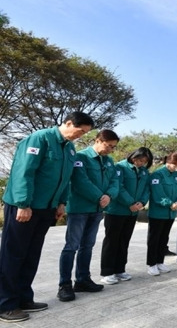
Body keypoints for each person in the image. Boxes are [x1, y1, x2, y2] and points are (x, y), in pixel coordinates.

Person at [0, 112, 94, 323]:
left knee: (31, 254)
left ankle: (24, 298)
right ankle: (5, 304)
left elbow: (65, 179)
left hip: (46, 208)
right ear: (68, 123)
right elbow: (24, 172)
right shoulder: (39, 138)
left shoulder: (70, 148)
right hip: (25, 206)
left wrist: (61, 202)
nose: (80, 136)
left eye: (85, 133)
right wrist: (23, 204)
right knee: (13, 254)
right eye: (80, 131)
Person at [57, 129, 120, 302]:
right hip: (79, 209)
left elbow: (115, 181)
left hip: (97, 210)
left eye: (113, 147)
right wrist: (99, 196)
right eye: (109, 146)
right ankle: (64, 285)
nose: (111, 150)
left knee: (88, 246)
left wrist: (109, 195)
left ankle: (83, 280)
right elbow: (80, 181)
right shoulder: (81, 157)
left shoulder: (109, 161)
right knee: (71, 246)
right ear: (98, 140)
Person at [100, 147, 152, 285]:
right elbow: (119, 187)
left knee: (124, 241)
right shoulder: (120, 167)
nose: (141, 163)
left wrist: (141, 202)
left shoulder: (144, 172)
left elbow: (147, 188)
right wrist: (130, 202)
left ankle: (120, 269)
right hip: (117, 211)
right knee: (112, 241)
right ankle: (107, 272)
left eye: (144, 161)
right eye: (140, 160)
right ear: (133, 157)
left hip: (133, 212)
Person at [147, 153, 177, 276]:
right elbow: (157, 194)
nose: (174, 167)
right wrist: (169, 203)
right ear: (167, 161)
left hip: (171, 213)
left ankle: (160, 261)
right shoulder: (157, 174)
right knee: (154, 239)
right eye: (173, 164)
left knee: (164, 238)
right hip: (158, 212)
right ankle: (152, 264)